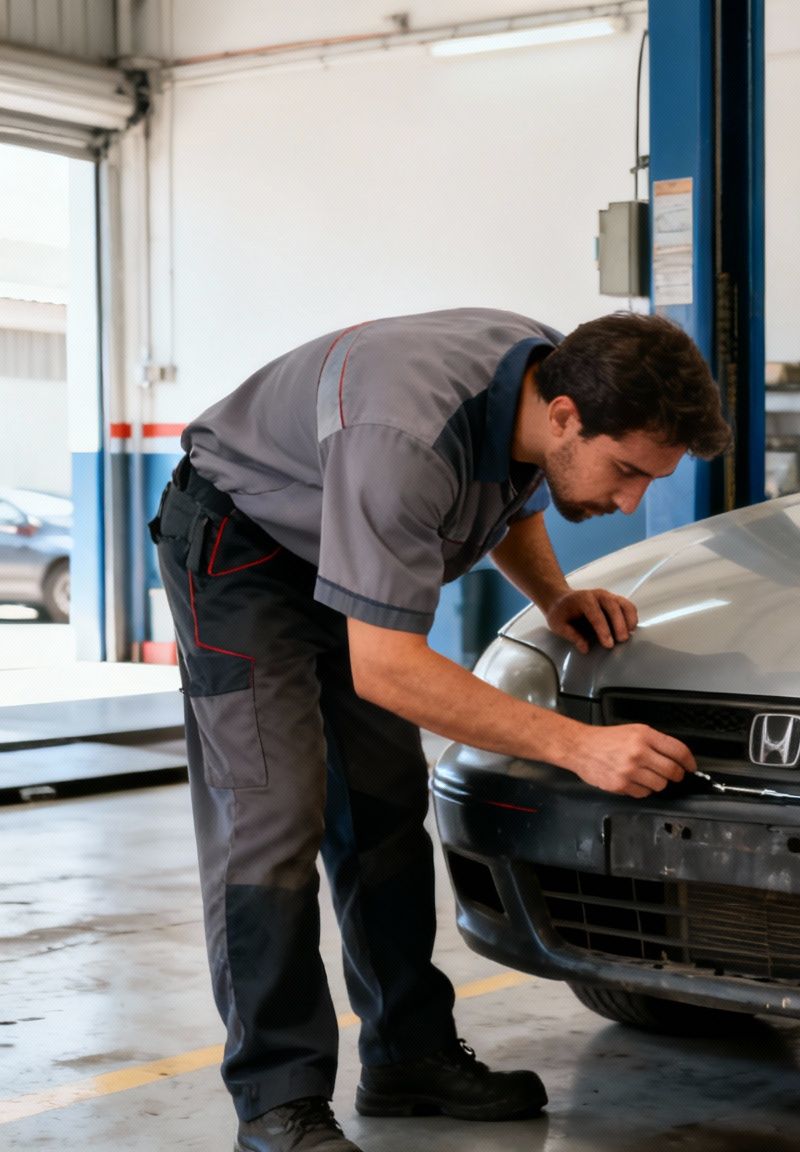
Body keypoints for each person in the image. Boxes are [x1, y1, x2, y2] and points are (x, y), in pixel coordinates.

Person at [151, 309, 730, 1151]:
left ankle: (408, 1056)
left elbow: (518, 490)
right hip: (245, 555)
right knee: (271, 819)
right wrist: (579, 745)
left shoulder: (544, 381)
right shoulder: (404, 438)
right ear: (566, 415)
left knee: (383, 808)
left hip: (346, 549)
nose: (630, 499)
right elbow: (385, 669)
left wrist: (554, 596)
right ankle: (278, 1102)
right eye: (628, 471)